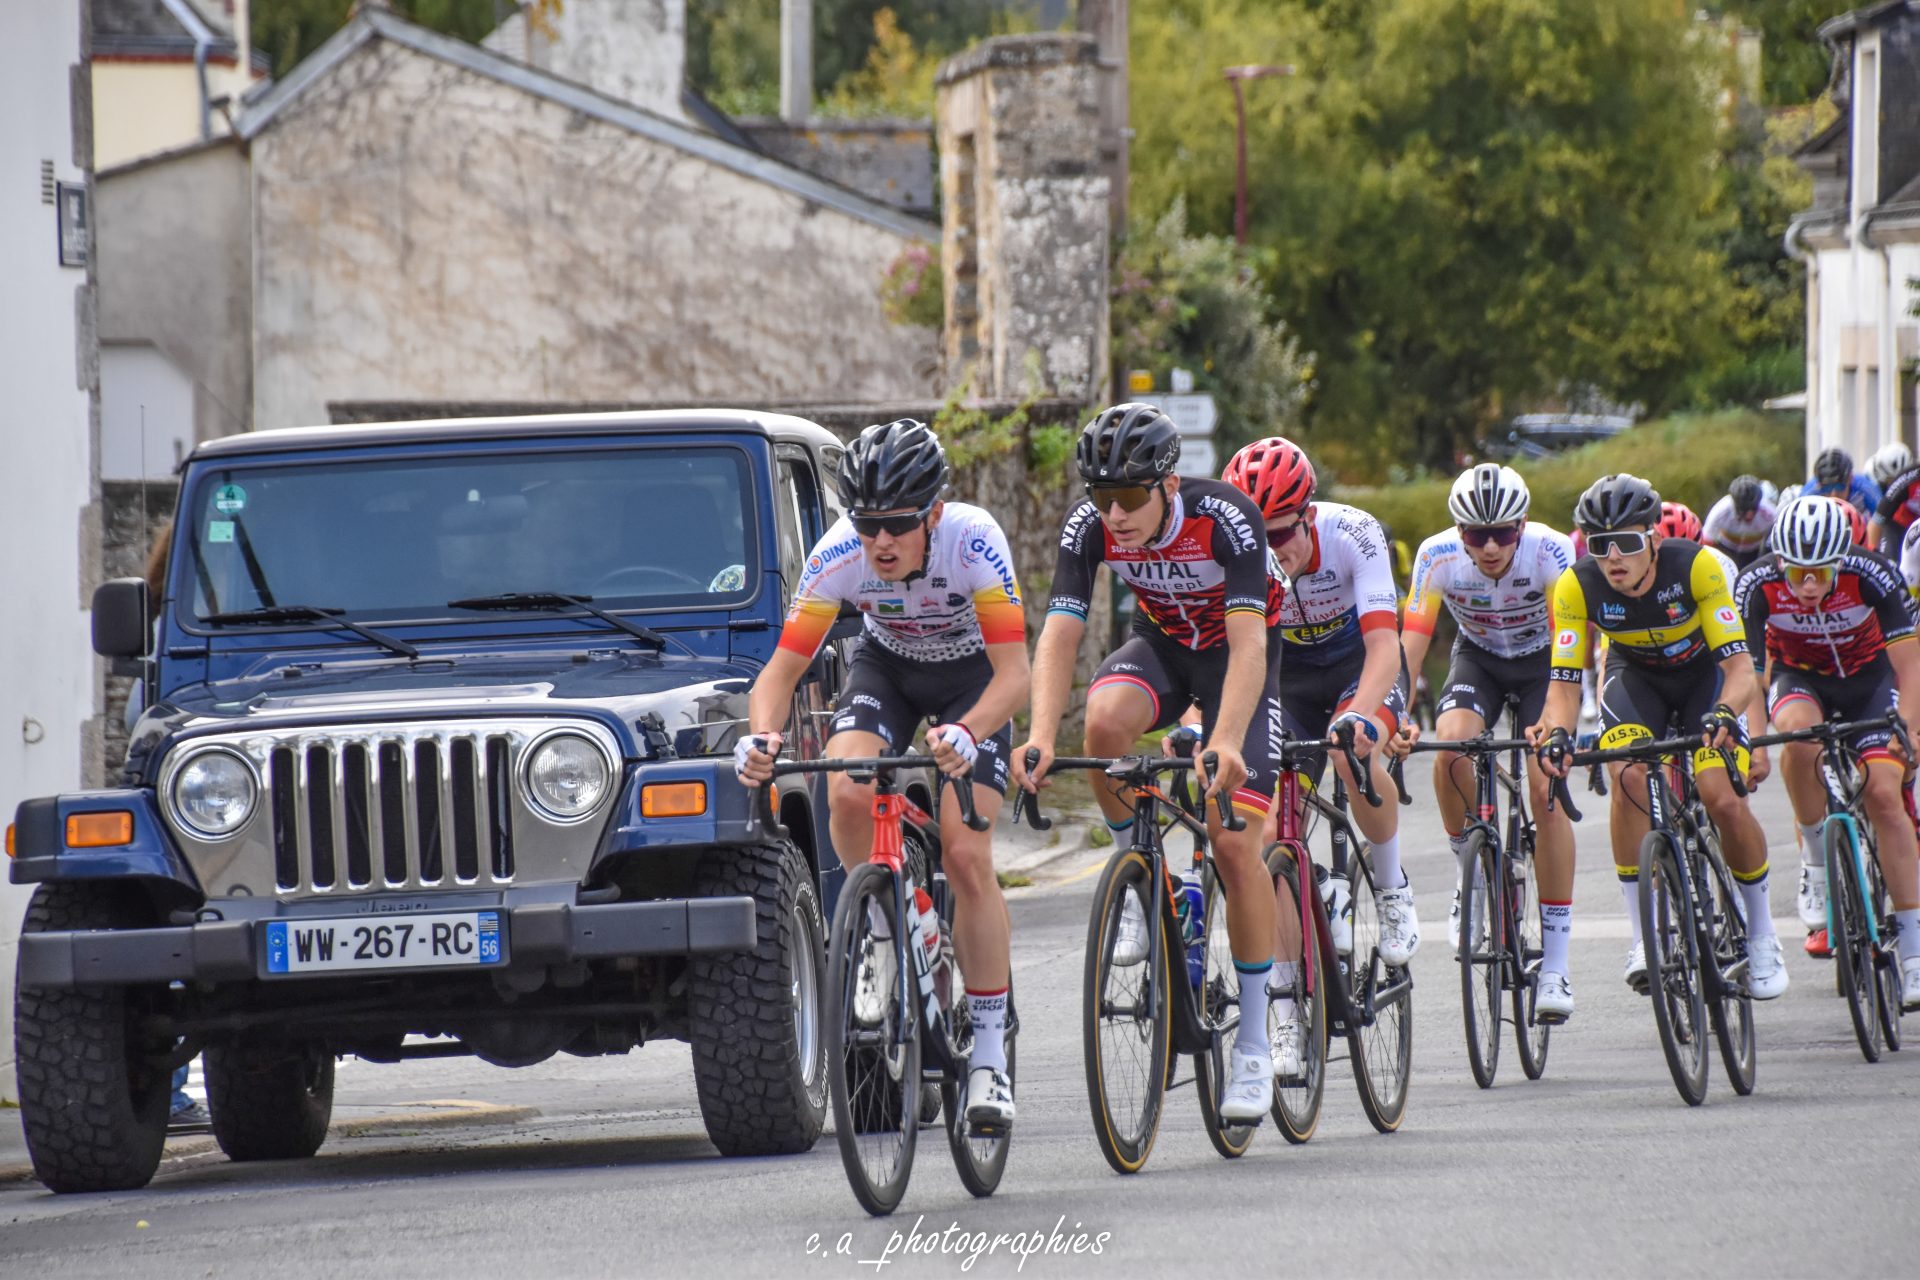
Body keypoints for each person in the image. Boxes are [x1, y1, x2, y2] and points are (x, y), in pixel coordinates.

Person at [733, 419, 1029, 1128]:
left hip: (974, 681)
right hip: (888, 670)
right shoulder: (840, 553)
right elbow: (779, 673)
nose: (882, 542)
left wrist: (970, 731)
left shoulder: (974, 541)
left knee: (965, 853)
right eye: (868, 525)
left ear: (934, 513)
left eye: (898, 524)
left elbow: (1015, 675)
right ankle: (885, 923)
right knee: (846, 787)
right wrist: (762, 737)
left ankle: (989, 1056)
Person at [1012, 404, 1286, 1120]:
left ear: (1167, 485)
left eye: (1130, 496)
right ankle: (1139, 874)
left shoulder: (1225, 518)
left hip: (1238, 659)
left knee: (1234, 843)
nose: (1115, 514)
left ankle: (1255, 1042)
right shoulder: (1090, 526)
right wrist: (1041, 734)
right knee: (1103, 721)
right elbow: (1060, 634)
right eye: (1102, 496)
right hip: (1164, 647)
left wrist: (1227, 739)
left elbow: (1250, 645)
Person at [1531, 474, 1788, 1000]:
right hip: (1637, 678)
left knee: (1720, 796)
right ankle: (1642, 935)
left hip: (1705, 680)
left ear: (1653, 537)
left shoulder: (1696, 566)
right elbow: (1564, 685)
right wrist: (1556, 733)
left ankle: (1762, 934)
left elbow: (1740, 670)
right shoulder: (1577, 585)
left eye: (1626, 542)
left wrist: (1725, 713)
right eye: (1600, 544)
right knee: (1627, 776)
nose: (1613, 557)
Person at [1223, 438, 1421, 972]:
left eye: (1280, 535)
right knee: (1269, 834)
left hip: (1360, 667)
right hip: (1287, 680)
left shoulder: (1353, 534)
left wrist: (1359, 714)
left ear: (1308, 517)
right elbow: (1222, 655)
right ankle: (1288, 1001)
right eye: (1257, 538)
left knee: (1350, 754)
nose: (1269, 551)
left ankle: (1390, 886)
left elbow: (1385, 645)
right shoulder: (1235, 550)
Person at [1393, 464, 1578, 1020]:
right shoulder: (1436, 556)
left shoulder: (1551, 552)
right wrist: (1394, 714)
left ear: (1522, 525)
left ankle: (1556, 966)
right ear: (1459, 531)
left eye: (1502, 533)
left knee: (1545, 784)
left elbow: (1570, 644)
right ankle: (1470, 875)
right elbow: (1409, 647)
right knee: (1451, 747)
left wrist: (1556, 719)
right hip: (1480, 658)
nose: (1491, 547)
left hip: (1544, 662)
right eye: (1477, 535)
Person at [1735, 495, 1920, 1002]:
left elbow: (1910, 665)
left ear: (1841, 561)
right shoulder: (1756, 583)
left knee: (1883, 796)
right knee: (1797, 738)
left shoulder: (1873, 574)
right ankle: (1816, 862)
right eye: (1798, 574)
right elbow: (1747, 675)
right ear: (1781, 563)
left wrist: (1910, 729)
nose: (1809, 585)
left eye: (1820, 573)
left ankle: (1913, 952)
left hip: (1871, 681)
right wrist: (1753, 746)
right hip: (1801, 679)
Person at [1701, 476, 1777, 572]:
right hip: (1726, 550)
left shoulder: (1769, 512)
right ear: (1735, 504)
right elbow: (1706, 540)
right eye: (1744, 510)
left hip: (1754, 552)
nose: (1749, 515)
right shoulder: (1721, 510)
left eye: (1753, 509)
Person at [1868, 444, 1920, 555]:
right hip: (1900, 525)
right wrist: (1872, 554)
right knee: (1889, 558)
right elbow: (1877, 520)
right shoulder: (1910, 476)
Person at [1806, 446, 1881, 518]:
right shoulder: (1808, 495)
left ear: (1850, 479)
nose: (1834, 494)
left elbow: (1883, 519)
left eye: (1839, 486)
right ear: (1819, 485)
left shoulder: (1866, 489)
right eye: (1827, 488)